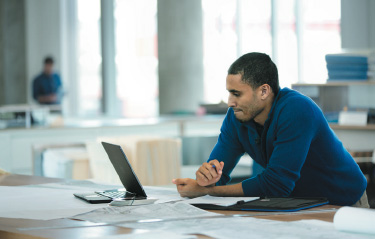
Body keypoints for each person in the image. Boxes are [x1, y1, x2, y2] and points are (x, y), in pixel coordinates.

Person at [173, 52, 369, 207]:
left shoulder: (297, 110)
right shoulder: (236, 116)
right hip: (298, 203)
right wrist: (206, 178)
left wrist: (207, 191)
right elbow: (219, 175)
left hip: (343, 202)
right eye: (229, 93)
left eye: (237, 94)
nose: (230, 102)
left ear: (264, 91)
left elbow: (276, 184)